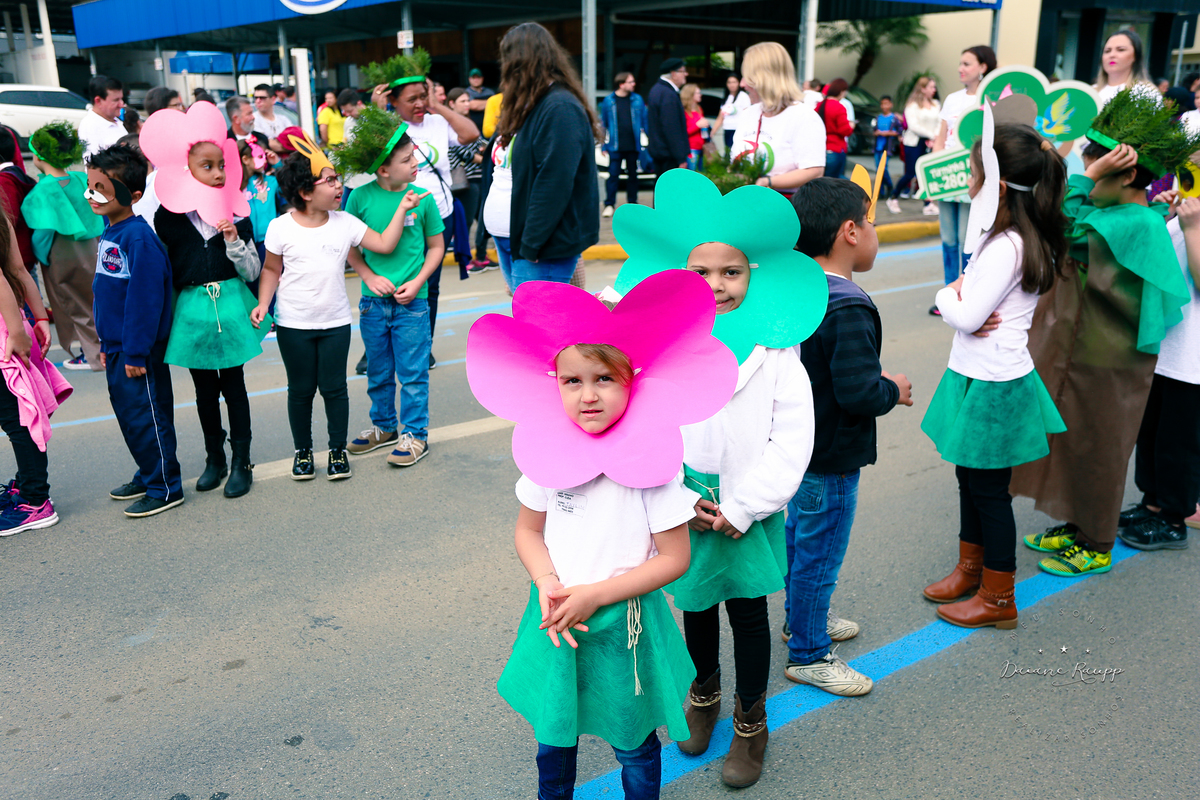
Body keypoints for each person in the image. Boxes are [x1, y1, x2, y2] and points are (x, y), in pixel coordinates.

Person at [467, 270, 736, 800]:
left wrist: (596, 594)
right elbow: (528, 531)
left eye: (605, 379)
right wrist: (546, 580)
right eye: (573, 381)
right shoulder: (547, 454)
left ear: (633, 380)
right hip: (556, 614)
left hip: (622, 625)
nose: (588, 396)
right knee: (554, 736)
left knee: (632, 740)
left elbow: (674, 558)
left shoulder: (652, 463)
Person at [611, 169, 826, 788]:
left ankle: (751, 721)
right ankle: (703, 693)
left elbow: (792, 440)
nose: (715, 285)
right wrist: (676, 499)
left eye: (731, 271)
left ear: (755, 274)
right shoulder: (662, 347)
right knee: (695, 607)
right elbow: (646, 424)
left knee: (749, 614)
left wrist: (745, 505)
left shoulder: (778, 353)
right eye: (700, 271)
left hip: (745, 509)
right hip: (682, 505)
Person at [1010, 88, 1197, 577]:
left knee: (1099, 447)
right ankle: (1078, 523)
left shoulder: (1133, 221)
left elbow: (1061, 226)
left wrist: (1083, 178)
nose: (1089, 177)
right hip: (1085, 354)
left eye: (1098, 169)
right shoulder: (1120, 213)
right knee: (1074, 441)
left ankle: (1096, 541)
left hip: (1110, 362)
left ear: (1127, 175)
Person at [923, 117, 1069, 627]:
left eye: (974, 174)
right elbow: (968, 307)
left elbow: (964, 314)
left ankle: (999, 597)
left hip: (994, 384)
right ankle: (971, 569)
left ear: (999, 185)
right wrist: (961, 297)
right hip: (976, 375)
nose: (968, 183)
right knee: (969, 478)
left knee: (988, 491)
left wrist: (946, 295)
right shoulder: (1000, 236)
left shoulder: (1009, 246)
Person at [784, 176, 910, 690]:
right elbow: (859, 393)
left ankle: (800, 619)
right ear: (850, 231)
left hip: (796, 449)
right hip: (833, 455)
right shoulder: (848, 303)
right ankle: (809, 652)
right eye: (871, 222)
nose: (874, 232)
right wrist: (893, 389)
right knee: (820, 555)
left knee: (800, 541)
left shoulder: (800, 291)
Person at [250, 137, 417, 481]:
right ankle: (303, 452)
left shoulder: (345, 222)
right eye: (329, 180)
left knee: (334, 388)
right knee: (300, 391)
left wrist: (402, 208)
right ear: (306, 193)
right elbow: (271, 270)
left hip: (335, 323)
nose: (339, 185)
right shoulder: (280, 227)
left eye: (337, 178)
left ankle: (337, 451)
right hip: (293, 325)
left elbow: (384, 244)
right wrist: (263, 303)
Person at [142, 101, 266, 500]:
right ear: (186, 170)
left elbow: (252, 270)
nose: (217, 174)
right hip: (193, 311)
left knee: (234, 386)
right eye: (206, 166)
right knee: (204, 391)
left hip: (230, 307)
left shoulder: (238, 215)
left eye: (221, 165)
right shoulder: (168, 218)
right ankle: (215, 457)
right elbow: (166, 272)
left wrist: (233, 241)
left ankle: (242, 461)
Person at [337, 109, 445, 468]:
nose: (415, 163)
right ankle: (384, 427)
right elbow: (351, 246)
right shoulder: (359, 198)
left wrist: (418, 281)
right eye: (406, 159)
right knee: (379, 372)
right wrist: (367, 276)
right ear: (383, 169)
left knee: (413, 374)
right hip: (373, 303)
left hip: (413, 303)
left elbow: (436, 247)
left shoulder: (423, 197)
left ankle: (415, 434)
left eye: (414, 155)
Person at [85, 143, 183, 518]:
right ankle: (148, 473)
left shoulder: (138, 238)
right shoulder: (112, 230)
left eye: (103, 188)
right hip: (118, 345)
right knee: (130, 415)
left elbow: (144, 300)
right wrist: (107, 342)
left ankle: (165, 487)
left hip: (137, 350)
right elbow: (109, 293)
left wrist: (136, 351)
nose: (93, 195)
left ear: (134, 195)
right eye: (91, 186)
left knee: (147, 415)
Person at [369, 53, 480, 350]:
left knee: (430, 285)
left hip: (439, 214)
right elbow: (374, 159)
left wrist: (436, 105)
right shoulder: (390, 125)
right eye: (411, 100)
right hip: (400, 218)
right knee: (393, 281)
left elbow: (471, 134)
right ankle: (383, 346)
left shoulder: (437, 121)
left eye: (422, 96)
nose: (419, 104)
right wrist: (378, 112)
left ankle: (422, 346)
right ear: (393, 101)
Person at [1118, 193, 1200, 551]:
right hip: (1164, 350)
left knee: (1178, 444)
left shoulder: (1194, 220)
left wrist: (1192, 228)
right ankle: (1152, 503)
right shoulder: (1185, 212)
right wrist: (1166, 218)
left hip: (1191, 359)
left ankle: (1174, 519)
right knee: (1150, 434)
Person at [495, 22, 600, 287]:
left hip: (544, 247)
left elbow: (554, 182)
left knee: (540, 316)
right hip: (529, 242)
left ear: (520, 62)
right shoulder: (540, 103)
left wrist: (531, 244)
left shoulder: (559, 107)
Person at [0, 202, 66, 536]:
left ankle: (35, 500)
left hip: (5, 332)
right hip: (10, 326)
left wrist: (16, 331)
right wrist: (39, 317)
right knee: (18, 416)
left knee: (18, 418)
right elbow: (18, 269)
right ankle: (28, 485)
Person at [22, 122, 104, 371]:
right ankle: (104, 348)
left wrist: (41, 257)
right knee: (95, 299)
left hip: (61, 255)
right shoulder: (81, 180)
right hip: (91, 249)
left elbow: (43, 233)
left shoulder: (42, 191)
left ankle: (92, 355)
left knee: (73, 304)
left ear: (38, 156)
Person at [931, 45, 997, 315]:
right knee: (948, 237)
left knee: (966, 239)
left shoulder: (991, 99)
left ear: (983, 67)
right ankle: (949, 292)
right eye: (960, 63)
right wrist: (931, 176)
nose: (961, 68)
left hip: (974, 178)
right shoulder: (951, 99)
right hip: (946, 177)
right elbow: (940, 138)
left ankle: (968, 292)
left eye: (967, 64)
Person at [731, 42, 825, 195]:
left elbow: (814, 171)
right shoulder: (748, 113)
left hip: (786, 204)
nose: (742, 84)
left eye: (747, 77)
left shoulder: (804, 117)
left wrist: (767, 182)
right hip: (746, 202)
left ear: (765, 79)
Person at [446, 88, 491, 274]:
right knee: (465, 223)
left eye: (467, 101)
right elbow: (465, 153)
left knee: (484, 220)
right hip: (466, 181)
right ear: (451, 104)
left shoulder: (467, 122)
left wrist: (485, 153)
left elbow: (482, 145)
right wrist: (486, 157)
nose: (467, 104)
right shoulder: (450, 125)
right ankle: (465, 260)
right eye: (462, 101)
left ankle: (481, 256)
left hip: (479, 177)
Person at [599, 71, 647, 217]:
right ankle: (609, 204)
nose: (634, 84)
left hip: (633, 145)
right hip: (615, 145)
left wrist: (649, 141)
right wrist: (603, 144)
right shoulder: (609, 101)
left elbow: (645, 122)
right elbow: (603, 124)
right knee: (613, 175)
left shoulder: (637, 99)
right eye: (630, 82)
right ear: (621, 84)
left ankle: (632, 204)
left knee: (633, 176)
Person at [893, 76, 940, 215]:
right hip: (914, 143)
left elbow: (940, 122)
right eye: (931, 87)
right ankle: (893, 197)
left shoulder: (936, 104)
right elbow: (913, 126)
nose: (934, 90)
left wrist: (935, 137)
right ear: (923, 89)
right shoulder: (912, 106)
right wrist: (931, 135)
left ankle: (928, 204)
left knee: (925, 174)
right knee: (910, 173)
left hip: (930, 143)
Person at [0, 126, 36, 282]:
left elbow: (7, 222)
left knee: (25, 291)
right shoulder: (15, 173)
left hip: (15, 260)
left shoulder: (4, 182)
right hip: (22, 256)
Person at [646, 57, 690, 176]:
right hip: (669, 155)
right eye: (683, 71)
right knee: (671, 187)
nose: (686, 74)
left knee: (661, 186)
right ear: (673, 74)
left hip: (660, 152)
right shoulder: (668, 94)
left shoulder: (656, 90)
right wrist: (680, 157)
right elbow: (671, 128)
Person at [1093, 29, 1153, 107]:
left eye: (1121, 50)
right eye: (1107, 51)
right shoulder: (1089, 92)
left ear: (1135, 56)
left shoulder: (1146, 93)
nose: (1112, 55)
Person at [80, 75, 126, 160]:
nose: (121, 104)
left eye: (121, 99)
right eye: (116, 100)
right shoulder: (90, 127)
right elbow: (92, 165)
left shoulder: (115, 120)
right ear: (98, 101)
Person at [816, 79, 854, 178]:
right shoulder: (839, 107)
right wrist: (851, 126)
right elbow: (845, 130)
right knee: (837, 181)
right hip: (835, 148)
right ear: (841, 92)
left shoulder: (819, 105)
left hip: (820, 148)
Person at [872, 95, 900, 210]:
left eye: (887, 104)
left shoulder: (894, 118)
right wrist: (877, 133)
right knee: (878, 168)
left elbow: (898, 132)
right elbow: (873, 130)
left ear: (891, 105)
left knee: (883, 168)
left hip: (887, 147)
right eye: (882, 104)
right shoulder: (877, 118)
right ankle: (881, 191)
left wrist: (886, 133)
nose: (884, 106)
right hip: (877, 147)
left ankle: (889, 186)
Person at [714, 73, 751, 151]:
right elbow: (720, 118)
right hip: (727, 129)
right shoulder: (727, 98)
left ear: (739, 83)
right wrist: (712, 132)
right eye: (729, 82)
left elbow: (748, 115)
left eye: (734, 82)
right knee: (728, 152)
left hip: (738, 130)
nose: (732, 85)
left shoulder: (743, 96)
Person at [252, 84, 289, 151]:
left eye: (262, 98)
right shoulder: (253, 119)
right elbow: (267, 144)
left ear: (273, 99)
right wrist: (290, 147)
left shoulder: (283, 119)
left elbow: (295, 139)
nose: (258, 101)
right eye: (256, 98)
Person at [681, 83, 709, 172]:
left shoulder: (699, 109)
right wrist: (697, 125)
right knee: (691, 174)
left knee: (701, 174)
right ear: (690, 95)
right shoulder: (684, 111)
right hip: (691, 149)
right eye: (698, 93)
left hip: (701, 147)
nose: (700, 95)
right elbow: (683, 133)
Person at [465, 68, 495, 132]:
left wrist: (479, 103)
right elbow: (473, 106)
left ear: (482, 78)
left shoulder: (489, 92)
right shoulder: (466, 92)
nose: (476, 80)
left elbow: (496, 106)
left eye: (478, 77)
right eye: (473, 78)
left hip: (490, 126)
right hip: (473, 127)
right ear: (469, 79)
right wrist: (491, 103)